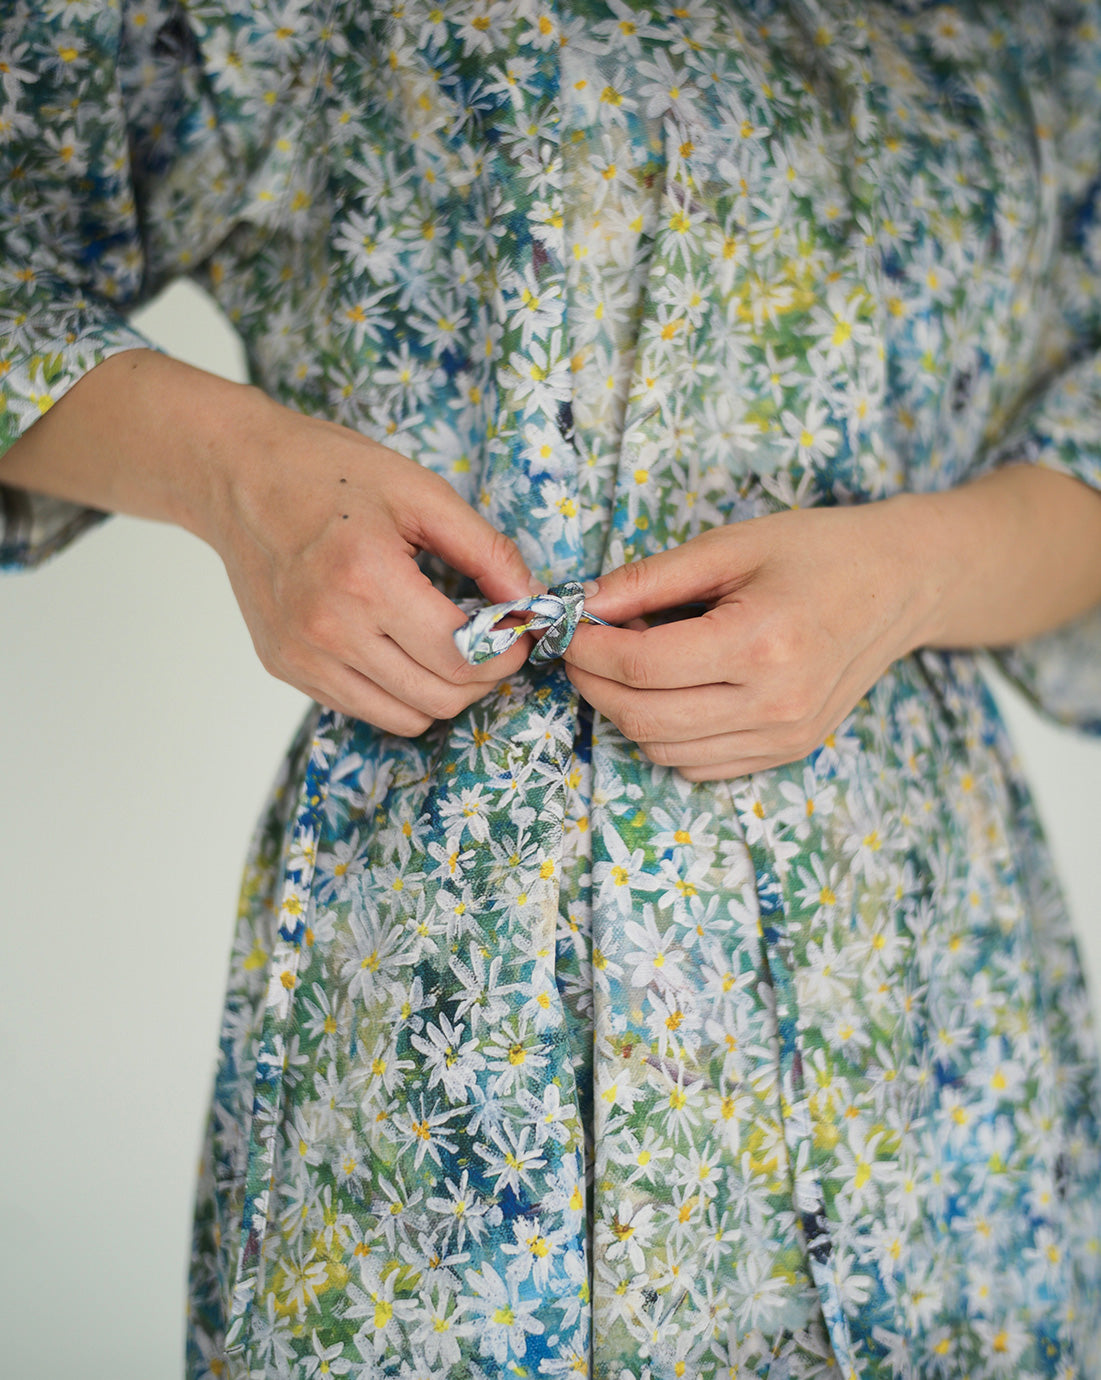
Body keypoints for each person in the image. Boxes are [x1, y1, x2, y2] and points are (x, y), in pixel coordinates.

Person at [3, 1, 1101, 1375]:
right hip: (455, 1002)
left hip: (928, 1007)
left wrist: (915, 574)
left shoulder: (1042, 29)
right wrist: (240, 475)